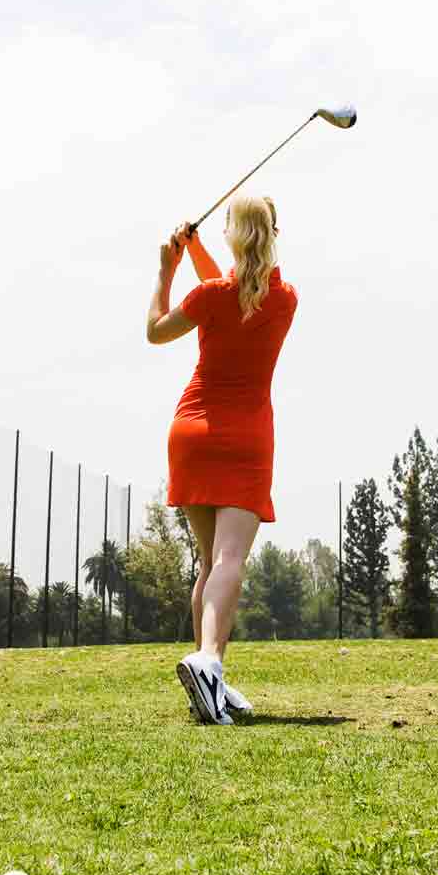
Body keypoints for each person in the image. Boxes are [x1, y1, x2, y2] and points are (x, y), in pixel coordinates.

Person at [145, 195, 298, 724]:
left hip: (192, 431)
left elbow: (156, 329)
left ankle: (210, 677)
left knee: (211, 564)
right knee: (230, 561)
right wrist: (193, 255)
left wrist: (167, 269)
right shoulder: (285, 299)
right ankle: (208, 660)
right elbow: (239, 291)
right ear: (273, 234)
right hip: (245, 438)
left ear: (231, 236)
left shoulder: (210, 296)